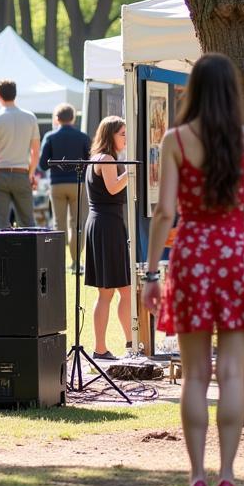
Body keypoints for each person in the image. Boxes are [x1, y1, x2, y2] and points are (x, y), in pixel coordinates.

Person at [142, 54, 244, 486]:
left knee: (196, 375)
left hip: (191, 255)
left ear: (194, 91)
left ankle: (196, 476)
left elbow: (165, 212)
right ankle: (227, 475)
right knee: (233, 372)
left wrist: (148, 273)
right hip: (237, 254)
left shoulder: (176, 140)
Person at [83, 117, 133, 360]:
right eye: (122, 133)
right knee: (112, 292)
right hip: (107, 225)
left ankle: (125, 344)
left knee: (119, 290)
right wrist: (131, 172)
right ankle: (110, 347)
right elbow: (113, 188)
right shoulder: (108, 159)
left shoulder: (96, 158)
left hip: (102, 223)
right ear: (110, 135)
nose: (125, 137)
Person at [0, 80, 40, 231]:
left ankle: (2, 255)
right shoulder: (30, 117)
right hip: (21, 174)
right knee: (27, 222)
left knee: (1, 224)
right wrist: (30, 174)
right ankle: (29, 254)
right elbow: (35, 151)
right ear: (15, 95)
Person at [39, 102, 91, 270]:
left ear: (57, 118)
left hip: (57, 184)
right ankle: (76, 262)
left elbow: (43, 164)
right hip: (78, 183)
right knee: (77, 224)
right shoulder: (83, 137)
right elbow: (89, 161)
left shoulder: (50, 137)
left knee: (58, 224)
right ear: (73, 118)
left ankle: (57, 263)